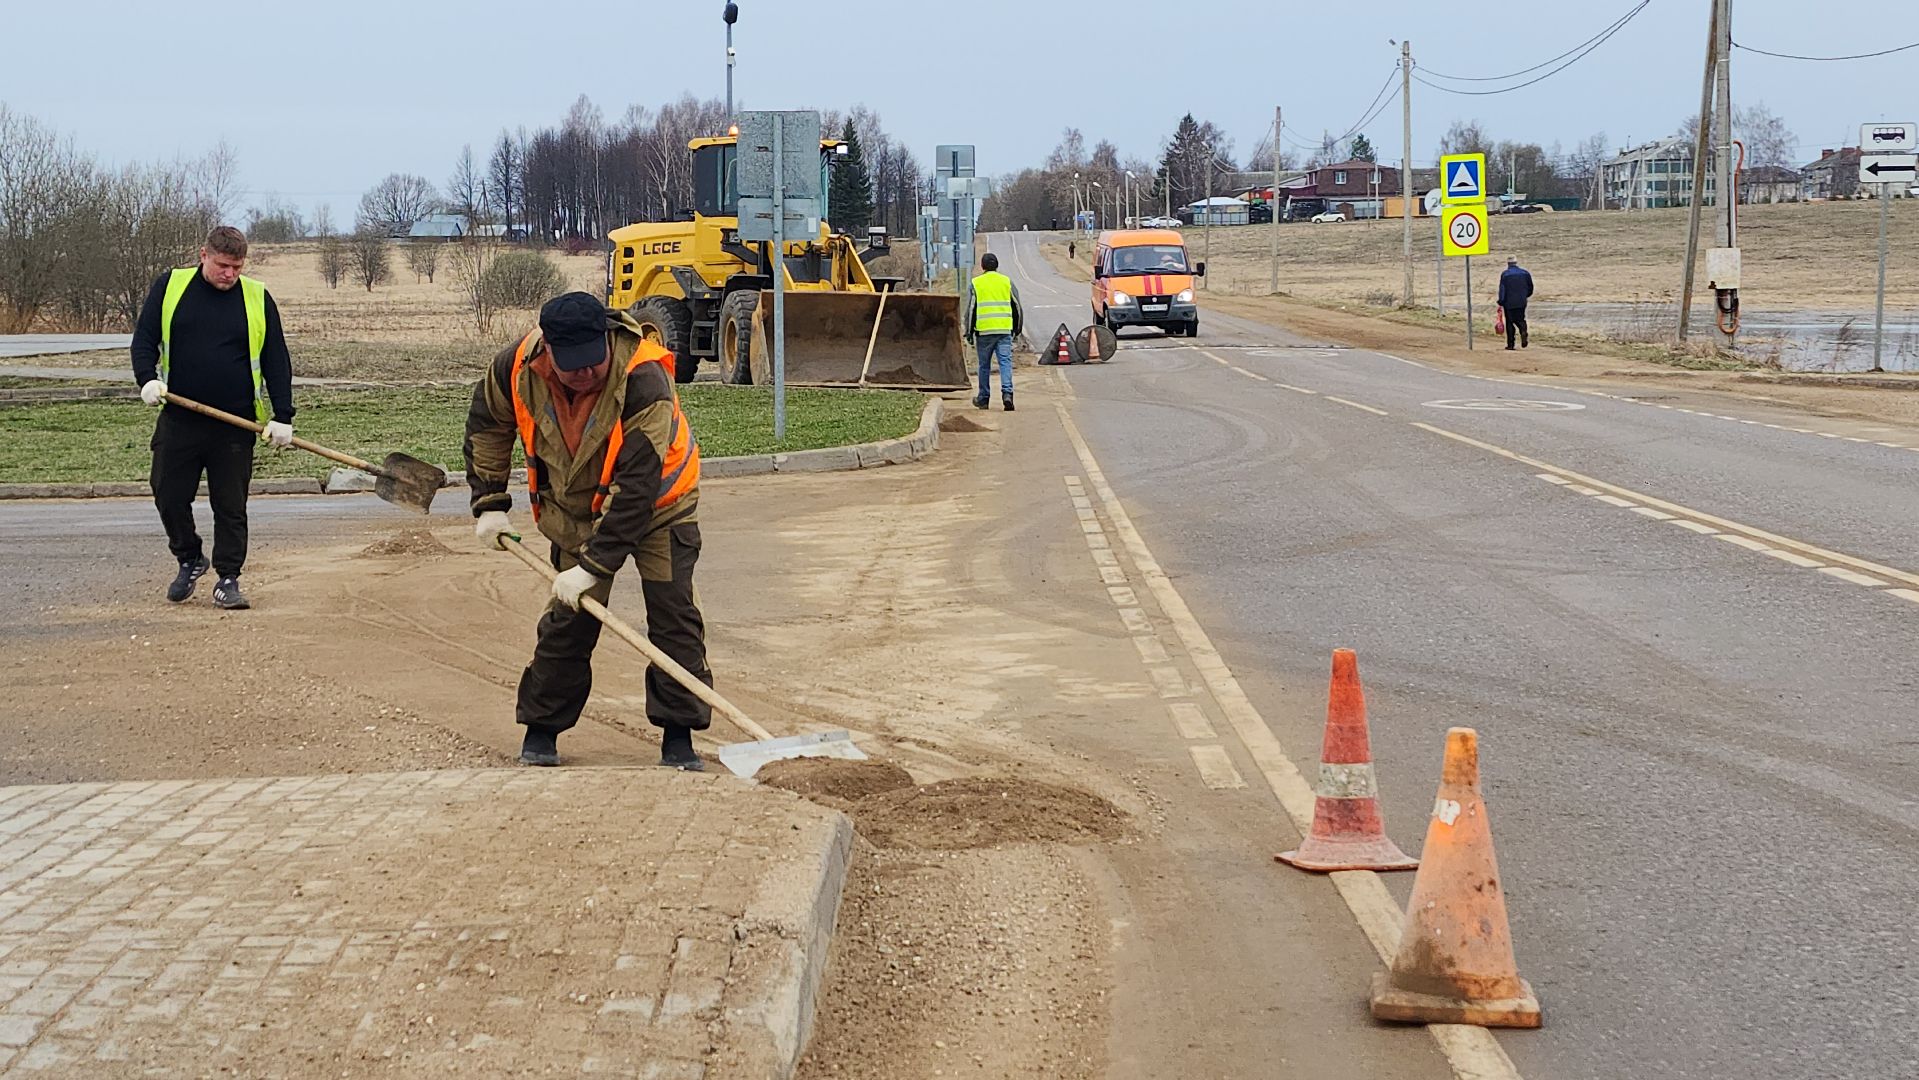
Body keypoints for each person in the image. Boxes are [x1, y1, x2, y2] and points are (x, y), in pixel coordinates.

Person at [464, 291, 710, 770]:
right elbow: (488, 425)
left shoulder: (644, 376)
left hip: (661, 505)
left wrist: (593, 567)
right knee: (568, 620)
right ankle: (542, 728)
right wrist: (489, 501)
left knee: (674, 615)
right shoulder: (516, 367)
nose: (586, 372)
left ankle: (678, 736)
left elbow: (637, 487)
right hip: (575, 511)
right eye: (572, 364)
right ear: (549, 349)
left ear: (607, 338)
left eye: (594, 360)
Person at [131, 225, 295, 611]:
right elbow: (144, 340)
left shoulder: (257, 297)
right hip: (180, 417)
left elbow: (276, 359)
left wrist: (283, 415)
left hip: (235, 424)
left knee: (230, 505)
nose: (229, 274)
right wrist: (147, 380)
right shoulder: (171, 286)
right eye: (222, 265)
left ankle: (228, 578)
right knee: (168, 495)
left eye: (237, 267)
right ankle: (189, 557)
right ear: (203, 254)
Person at [964, 252, 1023, 412]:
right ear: (997, 266)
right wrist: (1017, 329)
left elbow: (970, 310)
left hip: (984, 332)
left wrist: (968, 332)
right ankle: (1007, 394)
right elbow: (1017, 306)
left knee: (984, 365)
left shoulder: (976, 283)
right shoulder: (1006, 282)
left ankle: (983, 398)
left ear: (982, 266)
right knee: (1005, 362)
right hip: (1004, 330)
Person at [1499, 256, 1534, 350]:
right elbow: (1530, 287)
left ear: (1508, 264)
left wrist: (1501, 301)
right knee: (1521, 318)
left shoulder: (1505, 274)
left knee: (1510, 322)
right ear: (1516, 262)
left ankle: (1511, 344)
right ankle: (1523, 330)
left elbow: (1502, 289)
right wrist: (1525, 296)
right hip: (1521, 301)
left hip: (1509, 302)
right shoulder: (1525, 273)